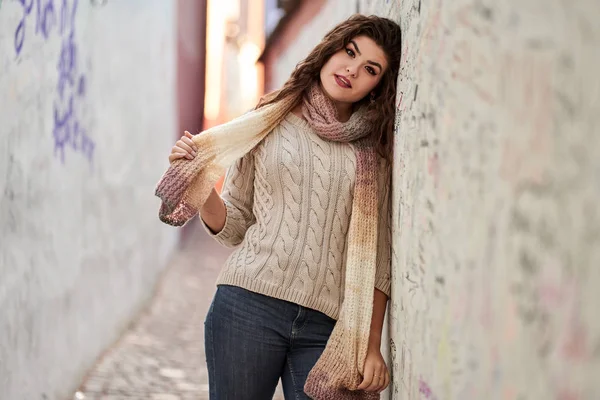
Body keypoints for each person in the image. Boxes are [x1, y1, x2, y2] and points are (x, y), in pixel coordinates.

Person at [160, 14, 402, 400]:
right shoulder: (269, 118)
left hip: (327, 329)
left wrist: (372, 346)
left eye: (369, 69)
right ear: (330, 49)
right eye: (349, 52)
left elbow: (379, 261)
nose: (351, 70)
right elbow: (235, 223)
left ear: (378, 85)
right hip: (246, 309)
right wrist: (201, 182)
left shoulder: (373, 151)